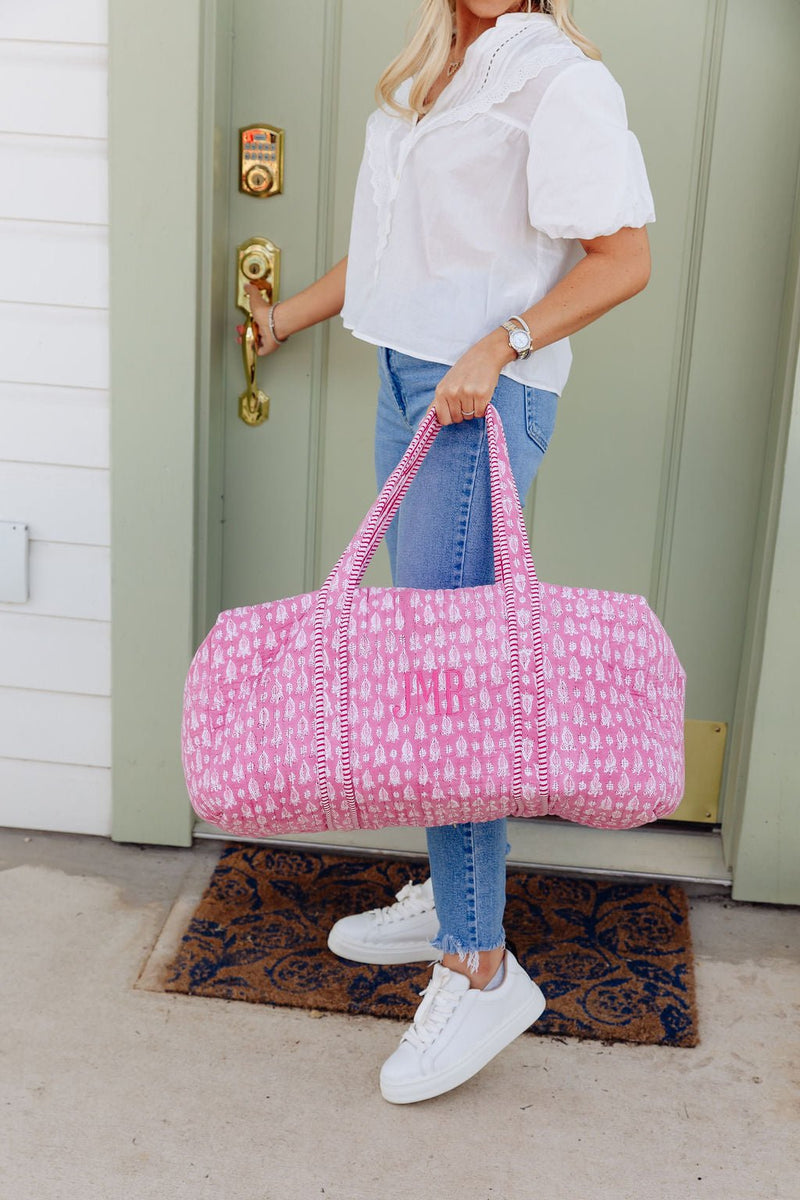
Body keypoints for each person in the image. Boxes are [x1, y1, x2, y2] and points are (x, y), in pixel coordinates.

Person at [242, 0, 654, 1104]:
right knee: (438, 668)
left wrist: (500, 342)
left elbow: (622, 258)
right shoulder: (442, 62)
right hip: (405, 379)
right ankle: (450, 888)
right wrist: (290, 319)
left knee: (451, 686)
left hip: (474, 393)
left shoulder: (557, 82)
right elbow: (395, 258)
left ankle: (478, 967)